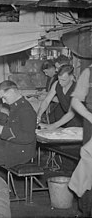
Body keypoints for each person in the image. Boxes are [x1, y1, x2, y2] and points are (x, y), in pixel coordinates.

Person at [67, 64, 92, 216]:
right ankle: (86, 211)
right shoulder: (88, 73)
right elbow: (76, 101)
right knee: (88, 169)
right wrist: (90, 117)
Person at [37, 65, 82, 129]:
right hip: (66, 120)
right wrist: (38, 116)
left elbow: (71, 113)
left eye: (63, 80)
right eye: (59, 79)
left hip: (80, 123)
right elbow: (46, 101)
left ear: (71, 77)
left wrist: (53, 126)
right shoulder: (56, 84)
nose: (60, 82)